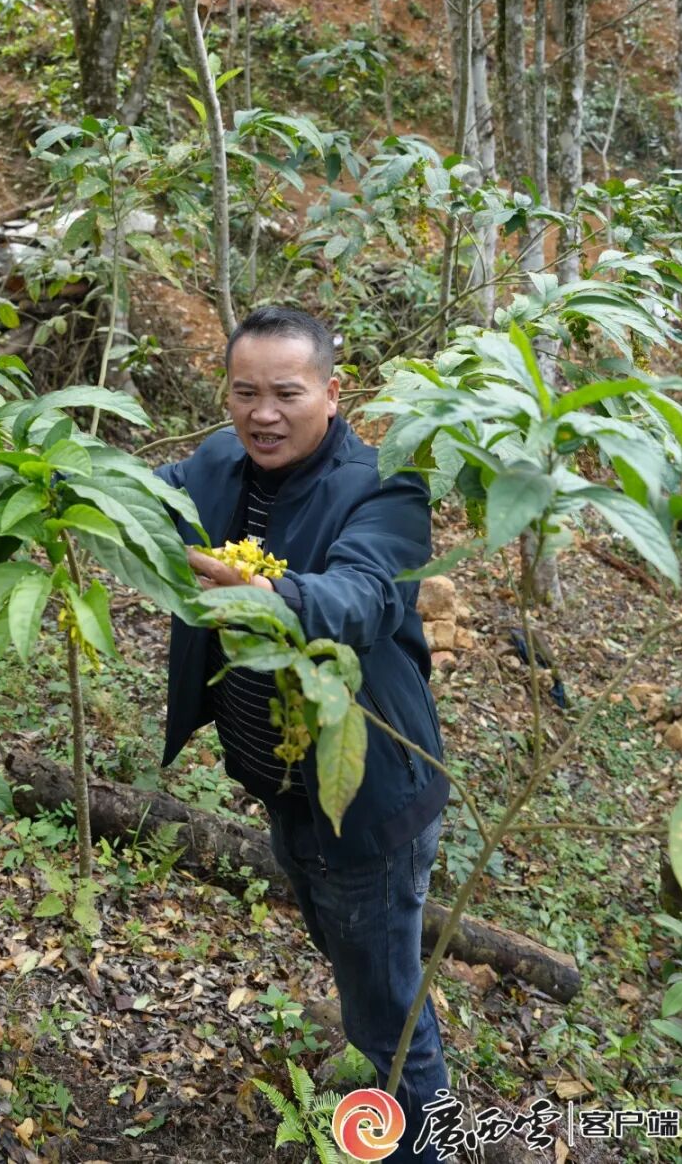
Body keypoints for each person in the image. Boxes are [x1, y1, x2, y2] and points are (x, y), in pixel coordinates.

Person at [156, 305, 449, 1164]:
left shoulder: (385, 485)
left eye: (287, 392)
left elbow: (366, 593)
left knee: (385, 1012)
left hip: (367, 803)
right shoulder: (219, 463)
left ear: (331, 389)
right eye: (244, 392)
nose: (263, 413)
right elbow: (143, 496)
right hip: (285, 786)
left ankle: (414, 1142)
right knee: (367, 972)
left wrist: (273, 599)